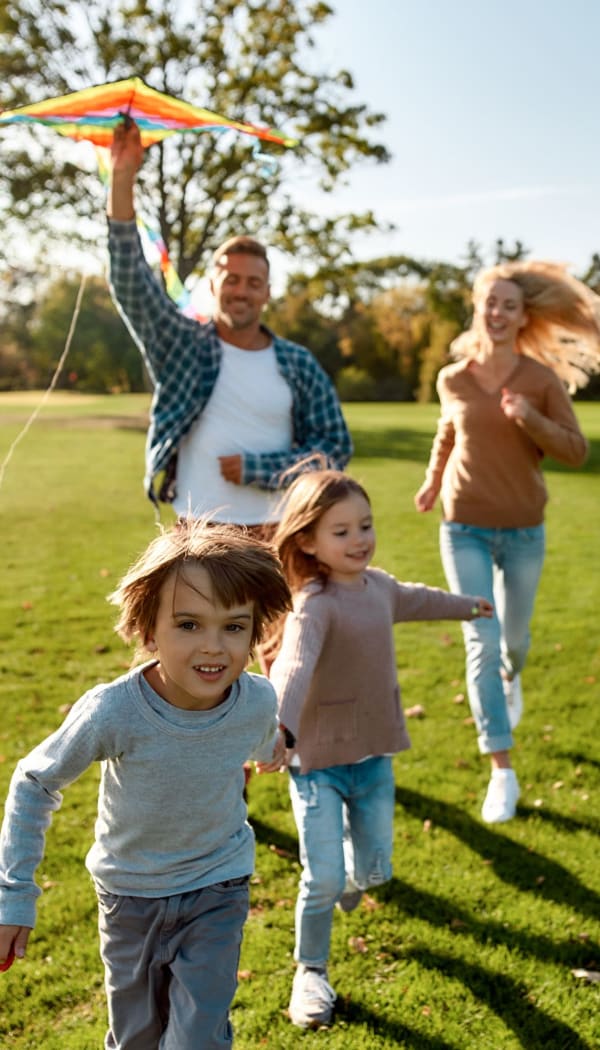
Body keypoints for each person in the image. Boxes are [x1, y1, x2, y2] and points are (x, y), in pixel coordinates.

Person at [0, 518, 292, 1049]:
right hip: (129, 897)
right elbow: (35, 781)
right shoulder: (114, 712)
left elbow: (264, 739)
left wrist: (278, 752)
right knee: (136, 1038)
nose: (214, 647)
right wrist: (14, 895)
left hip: (217, 887)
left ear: (255, 632)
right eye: (189, 625)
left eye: (234, 626)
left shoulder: (257, 700)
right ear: (148, 629)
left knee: (196, 1038)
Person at [265, 470, 492, 1029]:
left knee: (373, 872)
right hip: (316, 763)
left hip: (373, 758)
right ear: (307, 542)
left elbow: (418, 599)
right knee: (319, 880)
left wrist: (468, 605)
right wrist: (281, 730)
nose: (359, 539)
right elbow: (292, 668)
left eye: (365, 525)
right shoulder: (313, 606)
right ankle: (310, 973)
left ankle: (350, 869)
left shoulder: (380, 588)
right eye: (341, 531)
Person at [414, 260, 600, 825]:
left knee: (511, 645)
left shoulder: (539, 380)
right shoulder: (454, 378)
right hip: (463, 525)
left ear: (523, 318)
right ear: (477, 306)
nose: (497, 313)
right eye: (489, 302)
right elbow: (449, 432)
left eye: (509, 306)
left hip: (523, 532)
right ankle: (502, 771)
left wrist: (529, 421)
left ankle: (512, 677)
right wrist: (430, 478)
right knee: (481, 641)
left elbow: (575, 450)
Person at [106, 121, 353, 533]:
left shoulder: (296, 362)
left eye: (253, 282)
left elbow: (336, 446)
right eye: (231, 280)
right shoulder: (182, 345)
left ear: (267, 293)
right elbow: (130, 279)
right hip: (198, 532)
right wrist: (122, 177)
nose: (241, 291)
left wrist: (262, 468)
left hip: (282, 531)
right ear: (212, 286)